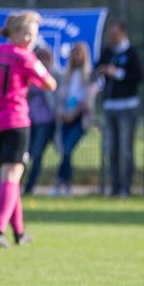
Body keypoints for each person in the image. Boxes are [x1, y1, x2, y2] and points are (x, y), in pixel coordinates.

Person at [0, 10, 58, 246]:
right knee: (12, 176)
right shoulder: (24, 57)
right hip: (15, 122)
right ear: (15, 32)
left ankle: (18, 231)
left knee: (10, 178)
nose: (30, 40)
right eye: (27, 34)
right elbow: (50, 83)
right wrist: (34, 69)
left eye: (34, 35)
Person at [95, 21, 144, 197]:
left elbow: (139, 76)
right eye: (110, 35)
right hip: (110, 106)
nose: (111, 38)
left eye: (115, 35)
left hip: (127, 106)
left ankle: (126, 188)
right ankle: (115, 187)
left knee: (125, 150)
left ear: (123, 34)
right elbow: (97, 69)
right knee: (112, 149)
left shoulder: (132, 53)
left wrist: (116, 73)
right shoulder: (108, 52)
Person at [54, 41, 99, 197]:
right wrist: (62, 112)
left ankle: (62, 182)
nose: (77, 56)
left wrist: (74, 112)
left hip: (79, 119)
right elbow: (60, 98)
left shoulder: (90, 76)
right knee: (63, 151)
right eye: (75, 53)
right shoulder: (66, 76)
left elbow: (88, 99)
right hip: (65, 117)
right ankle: (63, 184)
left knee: (67, 150)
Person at [24, 46, 58, 195]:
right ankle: (16, 184)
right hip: (29, 119)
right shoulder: (29, 76)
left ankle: (29, 187)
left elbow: (55, 94)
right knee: (25, 154)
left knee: (37, 154)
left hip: (45, 120)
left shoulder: (54, 75)